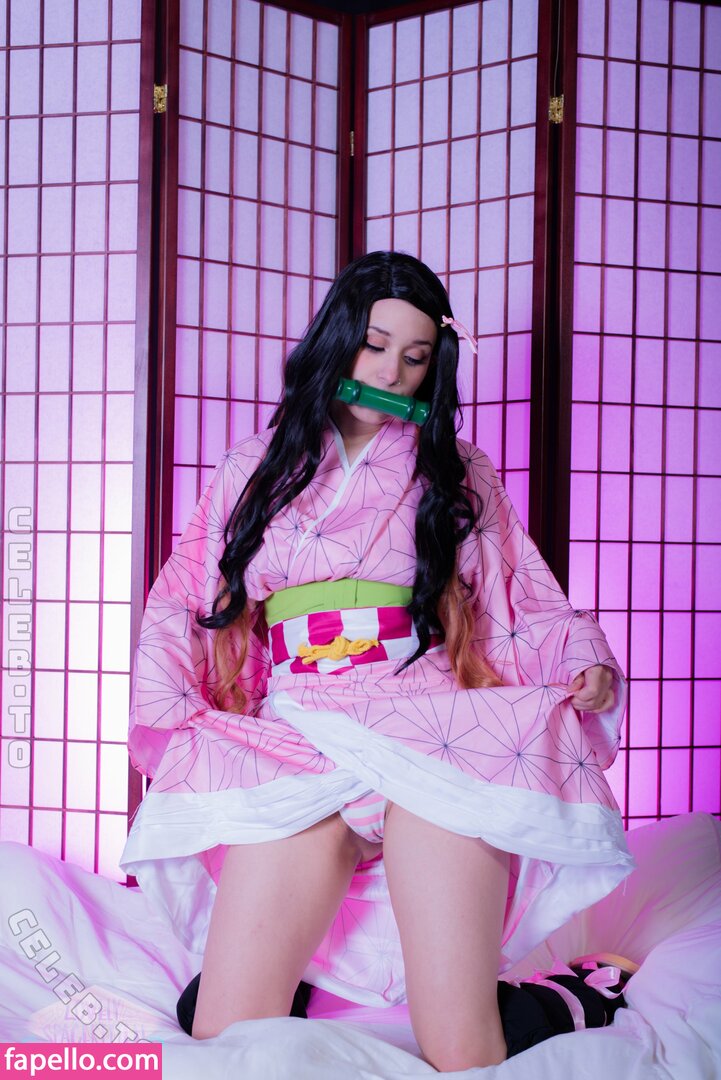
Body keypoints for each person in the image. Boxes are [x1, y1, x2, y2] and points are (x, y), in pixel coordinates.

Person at [120, 251, 634, 1071]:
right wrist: (167, 698)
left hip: (432, 731)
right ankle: (289, 977)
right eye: (373, 345)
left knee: (462, 1051)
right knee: (224, 1036)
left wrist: (585, 658)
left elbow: (522, 594)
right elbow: (187, 595)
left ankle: (571, 995)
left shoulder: (455, 470)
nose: (391, 372)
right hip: (297, 735)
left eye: (415, 357)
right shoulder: (252, 468)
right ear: (336, 340)